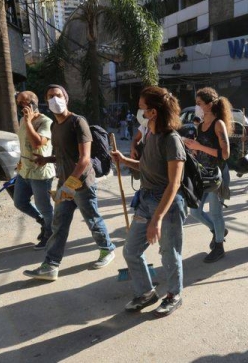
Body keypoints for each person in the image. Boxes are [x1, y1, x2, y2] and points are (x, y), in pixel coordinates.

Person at [23, 84, 115, 281]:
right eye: (50, 96)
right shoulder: (56, 126)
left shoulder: (78, 122)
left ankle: (107, 249)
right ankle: (51, 265)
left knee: (92, 220)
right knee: (59, 225)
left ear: (66, 98)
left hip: (82, 183)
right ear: (46, 102)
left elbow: (84, 159)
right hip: (65, 183)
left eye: (58, 95)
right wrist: (46, 160)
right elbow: (62, 155)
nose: (54, 99)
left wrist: (68, 185)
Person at [111, 86, 186, 317]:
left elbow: (174, 184)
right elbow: (146, 167)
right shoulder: (150, 134)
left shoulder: (171, 139)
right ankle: (146, 292)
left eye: (142, 108)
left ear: (153, 112)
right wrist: (124, 160)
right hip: (145, 199)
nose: (139, 111)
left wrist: (157, 219)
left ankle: (174, 295)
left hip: (167, 203)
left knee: (169, 253)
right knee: (131, 250)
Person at [184, 87, 233, 263]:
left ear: (210, 104)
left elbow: (225, 154)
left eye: (199, 104)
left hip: (217, 174)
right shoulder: (201, 123)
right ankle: (218, 231)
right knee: (195, 211)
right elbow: (201, 147)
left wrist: (199, 147)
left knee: (216, 213)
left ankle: (219, 247)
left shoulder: (218, 124)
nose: (197, 107)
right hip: (202, 173)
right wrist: (193, 148)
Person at [14, 91, 56, 250]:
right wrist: (19, 161)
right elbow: (24, 144)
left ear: (32, 104)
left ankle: (50, 234)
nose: (20, 106)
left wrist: (29, 122)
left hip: (40, 172)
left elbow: (38, 143)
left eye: (23, 103)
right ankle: (43, 222)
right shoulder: (22, 120)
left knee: (44, 207)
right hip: (24, 170)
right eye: (18, 103)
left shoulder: (46, 122)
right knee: (19, 202)